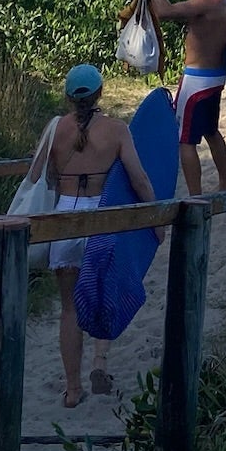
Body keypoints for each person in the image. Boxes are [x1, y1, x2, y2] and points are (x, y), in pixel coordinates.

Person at [28, 64, 154, 407]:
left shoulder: (55, 129)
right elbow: (139, 178)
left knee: (69, 308)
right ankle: (100, 362)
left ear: (69, 97)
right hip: (104, 215)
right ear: (100, 93)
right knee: (104, 295)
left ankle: (72, 389)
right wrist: (156, 218)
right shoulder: (116, 130)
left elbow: (37, 174)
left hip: (65, 219)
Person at [142, 0, 226, 195]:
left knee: (185, 139)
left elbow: (165, 12)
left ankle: (194, 195)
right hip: (215, 79)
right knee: (211, 131)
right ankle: (225, 183)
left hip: (197, 81)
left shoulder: (208, 2)